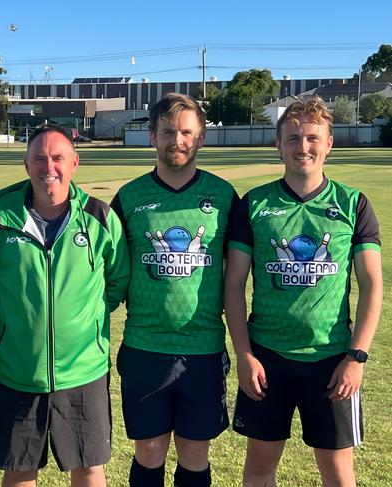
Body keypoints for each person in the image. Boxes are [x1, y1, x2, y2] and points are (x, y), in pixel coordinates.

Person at [224, 97, 383, 486]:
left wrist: (356, 358)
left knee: (338, 473)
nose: (303, 146)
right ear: (278, 145)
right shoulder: (254, 204)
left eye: (312, 137)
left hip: (332, 361)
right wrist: (244, 355)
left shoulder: (353, 204)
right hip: (267, 359)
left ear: (329, 143)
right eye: (292, 138)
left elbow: (372, 285)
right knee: (259, 469)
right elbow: (233, 285)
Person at [0, 124, 129, 487]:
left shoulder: (100, 218)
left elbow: (117, 282)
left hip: (84, 371)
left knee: (88, 468)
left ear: (74, 163)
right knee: (21, 469)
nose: (48, 166)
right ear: (26, 165)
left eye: (57, 158)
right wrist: (14, 321)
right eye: (39, 158)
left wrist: (84, 319)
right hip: (18, 371)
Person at [110, 93, 237, 487]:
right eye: (167, 132)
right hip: (145, 346)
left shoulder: (224, 198)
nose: (176, 141)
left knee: (195, 453)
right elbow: (107, 273)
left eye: (185, 132)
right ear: (152, 137)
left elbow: (239, 274)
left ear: (200, 139)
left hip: (204, 348)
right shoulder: (128, 198)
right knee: (148, 451)